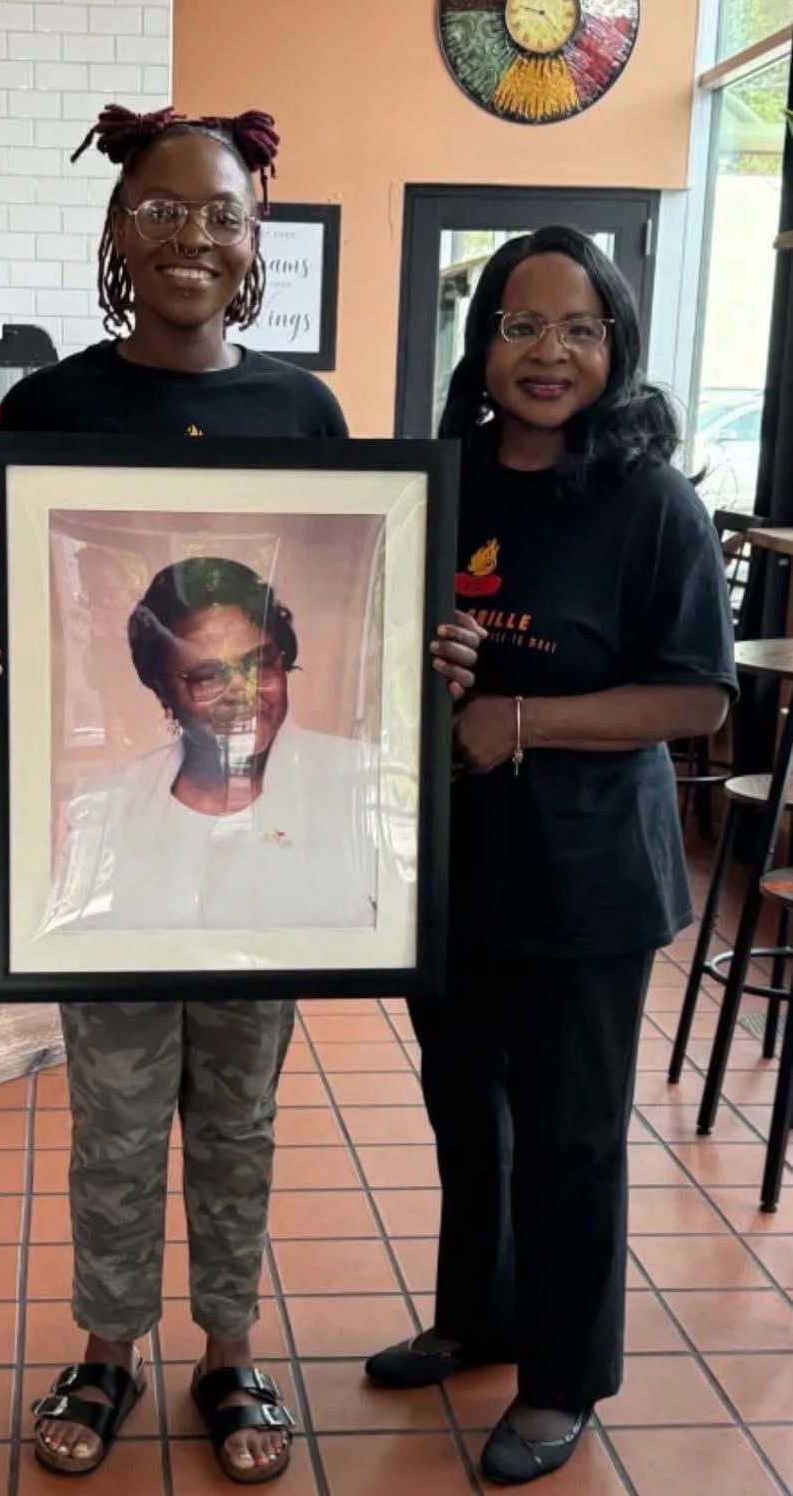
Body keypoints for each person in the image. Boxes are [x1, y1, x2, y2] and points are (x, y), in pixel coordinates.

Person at [0, 103, 480, 1483]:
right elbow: (17, 607)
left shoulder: (301, 410)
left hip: (275, 872)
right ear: (118, 228)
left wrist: (416, 646)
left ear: (257, 247)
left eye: (222, 214)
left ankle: (230, 1348)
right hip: (114, 885)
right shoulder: (48, 408)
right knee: (115, 1116)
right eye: (165, 209)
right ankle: (107, 1348)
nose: (194, 235)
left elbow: (363, 592)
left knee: (238, 1117)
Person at [365, 226, 737, 1485]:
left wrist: (518, 719)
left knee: (574, 1130)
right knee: (466, 1109)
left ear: (615, 348)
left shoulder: (650, 500)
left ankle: (563, 1376)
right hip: (449, 864)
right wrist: (433, 662)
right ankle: (480, 1316)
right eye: (521, 326)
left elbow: (697, 700)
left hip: (587, 878)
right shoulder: (441, 475)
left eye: (578, 329)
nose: (548, 354)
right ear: (481, 346)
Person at [48, 554, 380, 934]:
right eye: (207, 676)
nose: (242, 692)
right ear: (161, 689)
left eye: (260, 663)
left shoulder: (362, 781)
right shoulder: (107, 801)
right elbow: (75, 951)